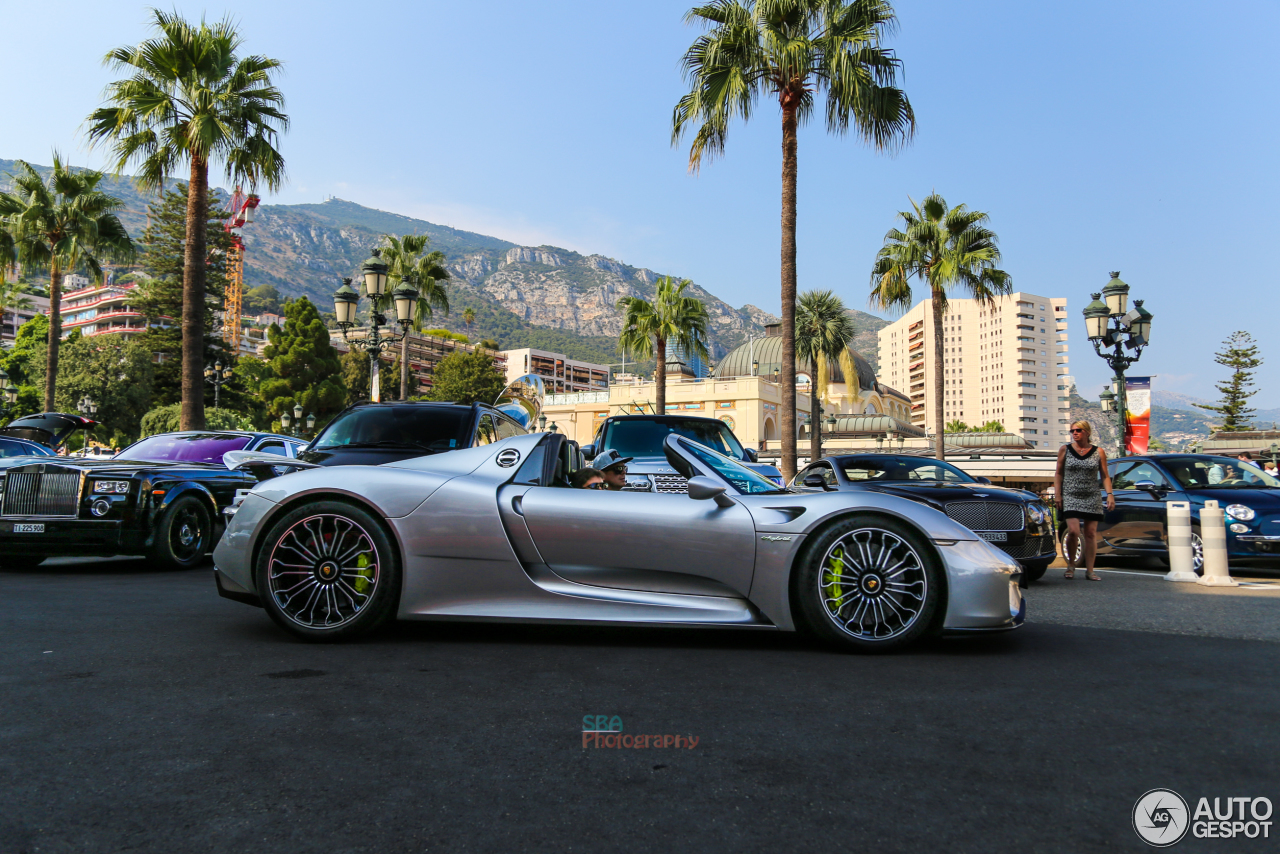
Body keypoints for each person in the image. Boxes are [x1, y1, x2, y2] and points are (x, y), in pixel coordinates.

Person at [1054, 421, 1115, 581]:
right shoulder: (1065, 450)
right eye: (1072, 430)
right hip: (1070, 494)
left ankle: (1090, 570)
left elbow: (1105, 475)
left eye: (1078, 430)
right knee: (1073, 531)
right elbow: (1059, 473)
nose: (1074, 433)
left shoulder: (1098, 452)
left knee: (1090, 533)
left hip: (1092, 495)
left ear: (1087, 432)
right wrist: (1058, 494)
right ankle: (1071, 565)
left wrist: (1109, 494)